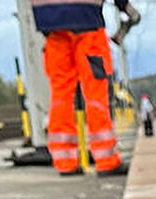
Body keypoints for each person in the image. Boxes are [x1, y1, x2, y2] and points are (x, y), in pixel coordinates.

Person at [31, 0, 140, 176]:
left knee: (60, 95)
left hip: (50, 22)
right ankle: (106, 161)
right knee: (95, 93)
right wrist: (125, 6)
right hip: (86, 19)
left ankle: (65, 162)